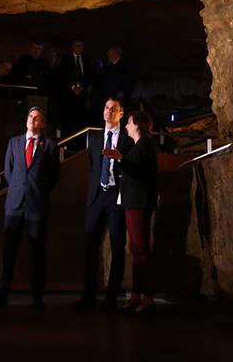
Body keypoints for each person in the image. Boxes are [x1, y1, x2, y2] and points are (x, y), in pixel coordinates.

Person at [0, 106, 59, 308]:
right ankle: (2, 294)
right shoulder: (14, 142)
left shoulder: (50, 146)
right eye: (30, 116)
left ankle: (37, 297)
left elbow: (54, 176)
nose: (33, 120)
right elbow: (9, 172)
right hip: (14, 204)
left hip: (37, 205)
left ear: (43, 123)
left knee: (38, 252)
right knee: (8, 251)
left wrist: (37, 191)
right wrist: (19, 189)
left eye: (37, 118)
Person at [74, 98, 133, 310]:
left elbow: (131, 167)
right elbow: (94, 166)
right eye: (106, 107)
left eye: (113, 109)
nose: (108, 111)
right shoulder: (96, 138)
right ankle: (87, 296)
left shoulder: (127, 138)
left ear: (121, 113)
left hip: (116, 196)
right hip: (97, 195)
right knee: (90, 246)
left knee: (117, 246)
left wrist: (119, 159)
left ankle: (111, 298)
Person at [104, 109, 158, 316]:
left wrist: (120, 159)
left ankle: (147, 297)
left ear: (138, 124)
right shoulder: (138, 145)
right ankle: (136, 295)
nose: (126, 126)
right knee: (136, 249)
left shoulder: (145, 144)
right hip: (132, 202)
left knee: (141, 248)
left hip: (139, 202)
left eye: (129, 122)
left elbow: (138, 171)